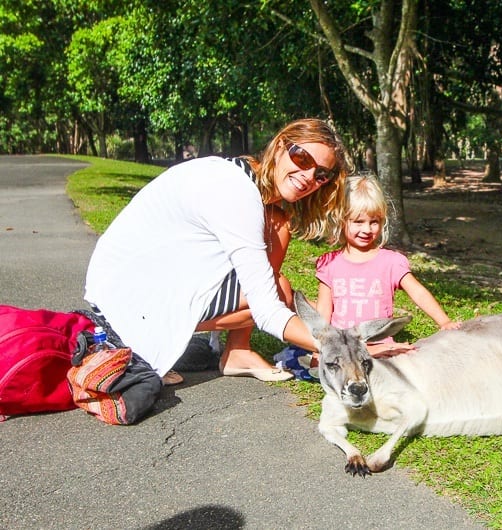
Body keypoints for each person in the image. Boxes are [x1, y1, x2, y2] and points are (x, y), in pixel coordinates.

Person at [84, 118, 349, 384]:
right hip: (122, 296)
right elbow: (267, 308)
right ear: (280, 146)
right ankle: (138, 334)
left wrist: (338, 317)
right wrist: (343, 349)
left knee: (278, 228)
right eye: (302, 159)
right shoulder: (237, 192)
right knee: (277, 289)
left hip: (148, 278)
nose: (308, 177)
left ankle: (238, 351)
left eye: (321, 174)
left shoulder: (249, 184)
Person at [315, 174, 459, 356]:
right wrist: (317, 349)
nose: (367, 230)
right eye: (358, 222)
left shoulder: (391, 261)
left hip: (378, 339)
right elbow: (323, 311)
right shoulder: (330, 263)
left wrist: (444, 322)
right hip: (341, 342)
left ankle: (378, 351)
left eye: (374, 222)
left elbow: (418, 292)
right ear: (341, 220)